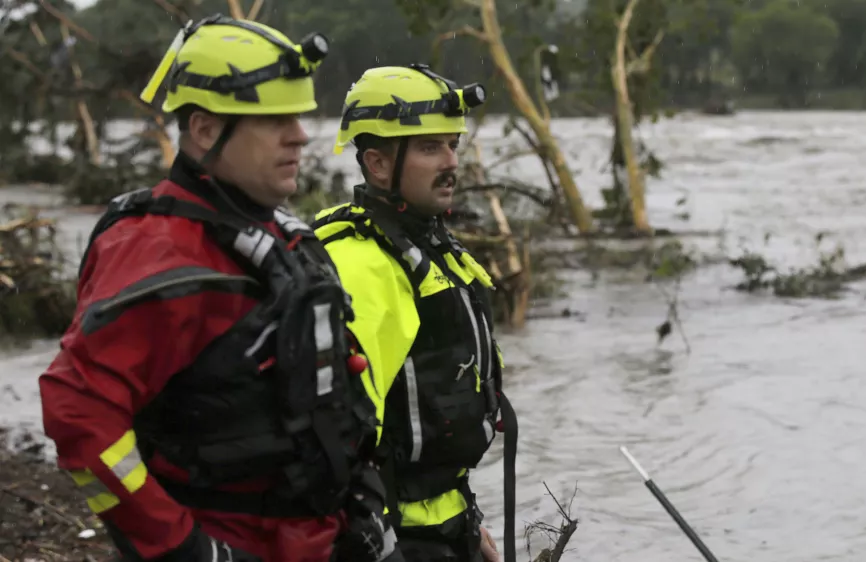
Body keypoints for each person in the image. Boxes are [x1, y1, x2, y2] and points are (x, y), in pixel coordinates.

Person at [37, 15, 400, 562]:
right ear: (205, 129)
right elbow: (78, 416)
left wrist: (368, 510)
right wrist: (180, 546)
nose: (300, 134)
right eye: (275, 119)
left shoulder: (282, 236)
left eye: (298, 115)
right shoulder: (158, 252)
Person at [312, 64, 518, 562]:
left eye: (453, 144)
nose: (451, 162)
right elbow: (339, 441)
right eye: (430, 148)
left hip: (448, 525)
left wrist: (466, 527)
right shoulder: (359, 266)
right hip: (392, 539)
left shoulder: (425, 246)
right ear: (378, 165)